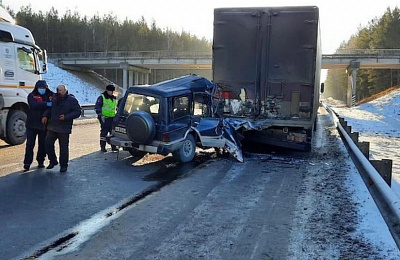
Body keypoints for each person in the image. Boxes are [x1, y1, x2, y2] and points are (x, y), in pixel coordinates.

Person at [42, 84, 81, 172]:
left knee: (63, 147)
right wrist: (45, 115)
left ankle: (63, 165)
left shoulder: (71, 100)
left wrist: (66, 117)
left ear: (65, 91)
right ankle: (53, 161)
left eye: (60, 90)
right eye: (57, 90)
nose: (58, 92)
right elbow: (49, 109)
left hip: (64, 128)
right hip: (52, 126)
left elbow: (77, 111)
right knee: (47, 144)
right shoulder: (54, 98)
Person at [23, 80, 53, 171]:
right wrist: (46, 104)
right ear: (36, 88)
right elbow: (34, 105)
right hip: (31, 124)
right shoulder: (32, 96)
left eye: (43, 88)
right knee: (30, 144)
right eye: (40, 88)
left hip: (43, 124)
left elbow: (52, 107)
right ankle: (27, 162)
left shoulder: (50, 95)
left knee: (42, 144)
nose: (42, 90)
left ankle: (41, 161)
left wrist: (45, 114)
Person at [94, 84, 117, 152]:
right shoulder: (102, 97)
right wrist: (101, 115)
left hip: (112, 117)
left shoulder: (114, 98)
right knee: (104, 133)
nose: (112, 92)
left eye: (113, 91)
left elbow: (115, 108)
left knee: (112, 133)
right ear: (107, 90)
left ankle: (113, 147)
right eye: (110, 91)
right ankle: (103, 147)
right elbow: (97, 107)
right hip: (105, 118)